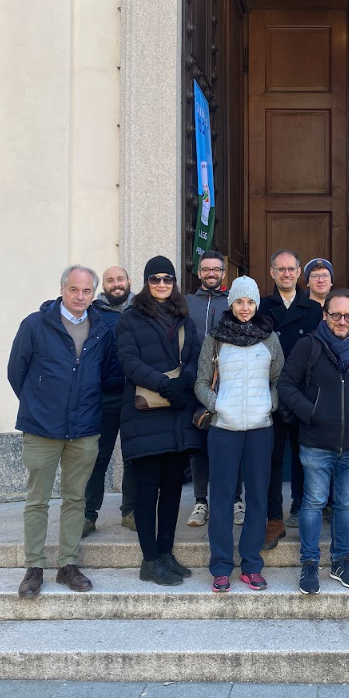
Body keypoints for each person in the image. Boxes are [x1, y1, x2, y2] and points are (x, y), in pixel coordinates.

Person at [7, 265, 114, 597]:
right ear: (62, 289)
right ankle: (34, 567)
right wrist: (38, 405)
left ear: (93, 294)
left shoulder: (102, 328)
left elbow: (107, 374)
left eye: (86, 292)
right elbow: (16, 372)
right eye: (73, 290)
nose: (80, 297)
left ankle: (68, 564)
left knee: (75, 498)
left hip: (84, 430)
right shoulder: (36, 325)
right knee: (37, 500)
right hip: (42, 429)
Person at [278, 289, 349, 594]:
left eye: (348, 315)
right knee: (312, 504)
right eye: (335, 314)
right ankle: (309, 563)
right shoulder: (308, 346)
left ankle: (340, 561)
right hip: (316, 443)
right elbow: (285, 385)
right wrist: (309, 413)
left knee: (345, 505)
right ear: (325, 316)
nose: (342, 320)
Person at [194, 275, 284, 593]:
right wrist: (217, 405)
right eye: (239, 301)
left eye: (250, 302)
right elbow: (201, 381)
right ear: (230, 303)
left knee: (257, 498)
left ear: (256, 304)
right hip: (224, 429)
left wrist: (269, 404)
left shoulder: (269, 338)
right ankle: (220, 566)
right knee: (221, 499)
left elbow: (278, 378)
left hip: (260, 428)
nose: (244, 308)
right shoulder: (215, 339)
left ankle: (251, 564)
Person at [115, 256, 200, 585]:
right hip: (145, 415)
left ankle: (166, 553)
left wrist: (184, 383)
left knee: (174, 490)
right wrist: (167, 385)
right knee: (148, 491)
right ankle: (149, 560)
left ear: (174, 282)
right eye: (155, 279)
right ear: (146, 282)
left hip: (177, 415)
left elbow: (194, 357)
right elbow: (129, 362)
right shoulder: (130, 320)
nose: (162, 284)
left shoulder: (184, 319)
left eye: (168, 279)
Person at [259, 250, 322, 544]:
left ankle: (303, 506)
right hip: (269, 393)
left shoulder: (313, 310)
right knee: (272, 459)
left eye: (291, 269)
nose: (286, 274)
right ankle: (274, 517)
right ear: (272, 273)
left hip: (303, 393)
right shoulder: (260, 308)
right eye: (280, 269)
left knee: (306, 456)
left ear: (299, 273)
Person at [183, 250, 245, 529]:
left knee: (234, 442)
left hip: (230, 383)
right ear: (199, 273)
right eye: (206, 269)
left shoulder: (234, 303)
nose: (211, 274)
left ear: (223, 273)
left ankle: (236, 499)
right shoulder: (185, 303)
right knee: (199, 445)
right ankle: (200, 501)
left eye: (216, 270)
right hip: (195, 383)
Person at [83, 266, 137, 537]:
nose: (116, 284)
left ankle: (130, 512)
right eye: (110, 281)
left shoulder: (141, 309)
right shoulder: (93, 314)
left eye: (120, 279)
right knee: (98, 457)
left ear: (129, 281)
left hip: (134, 395)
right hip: (103, 397)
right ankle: (87, 515)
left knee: (133, 457)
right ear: (103, 286)